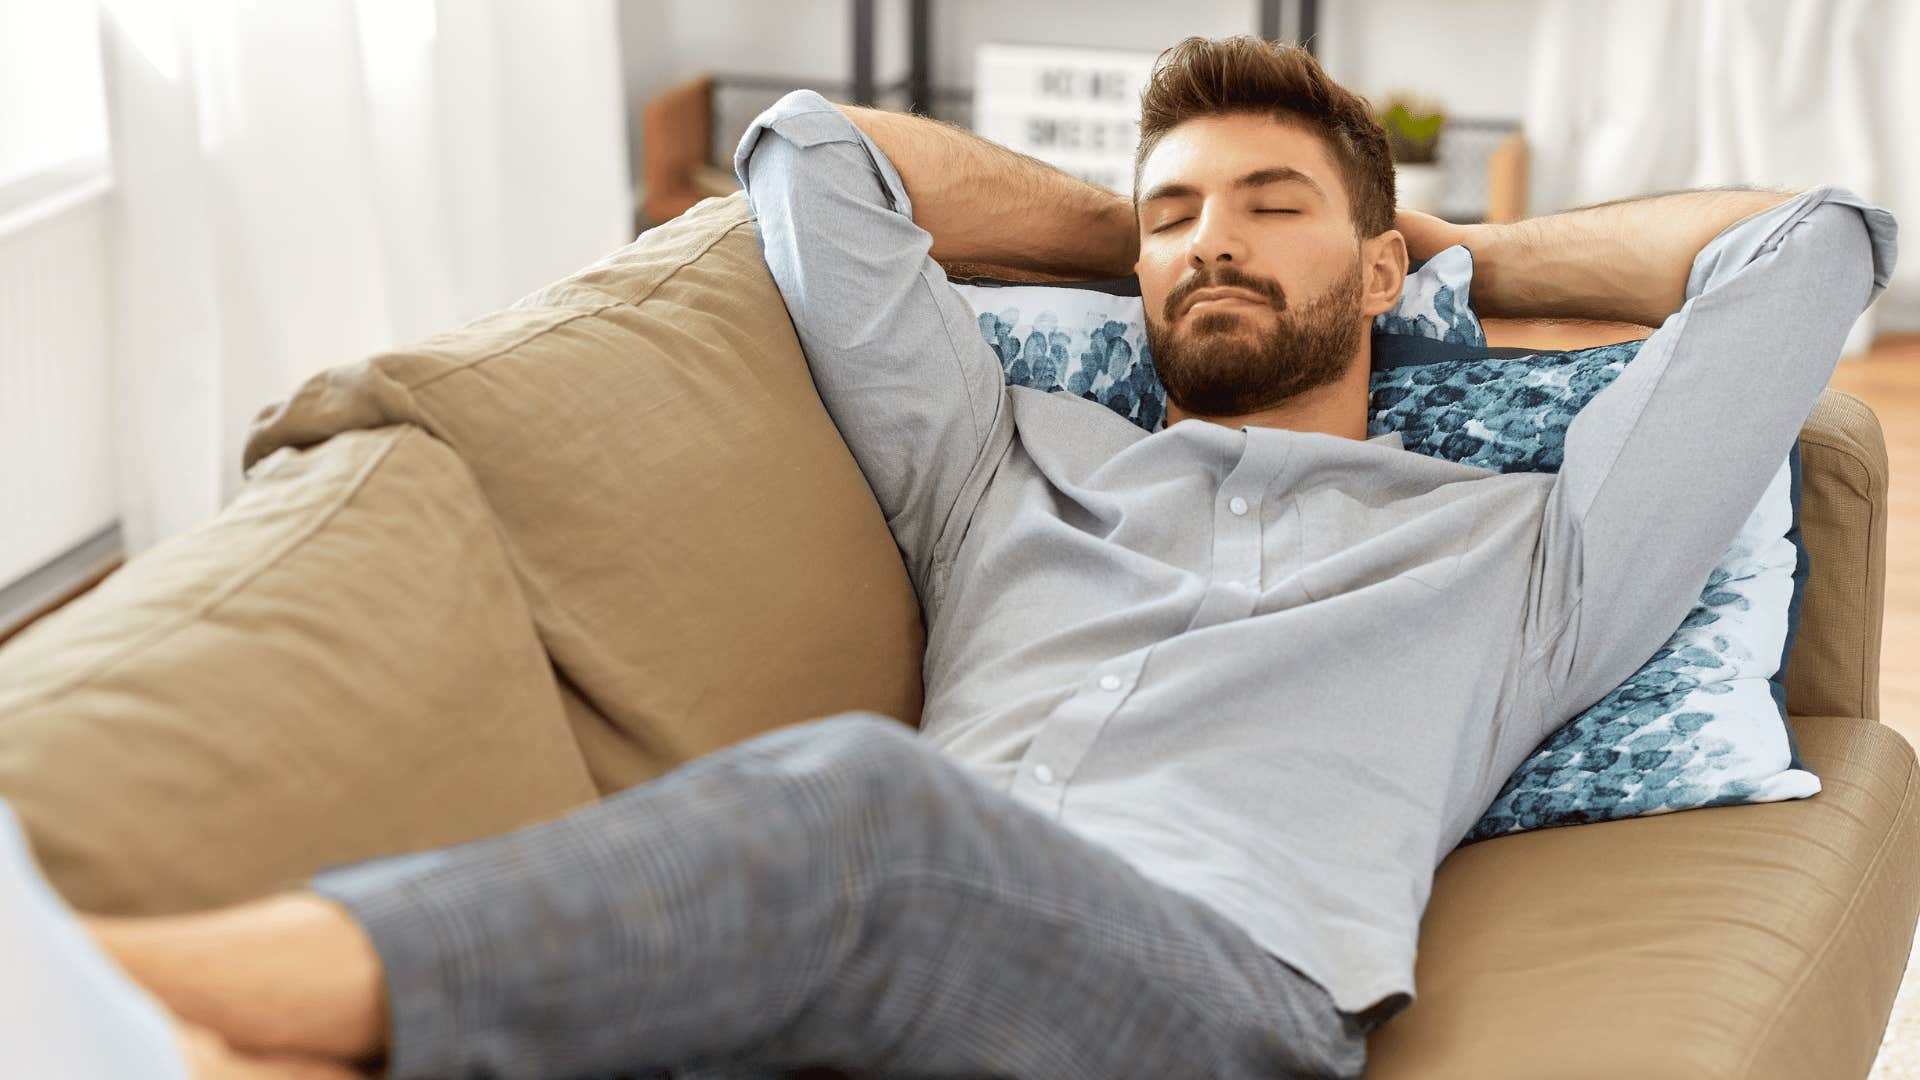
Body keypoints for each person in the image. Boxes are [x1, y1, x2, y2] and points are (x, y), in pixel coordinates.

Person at [0, 34, 1894, 1080]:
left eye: (1271, 208)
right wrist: (1131, 235)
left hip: (1207, 1013)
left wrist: (1445, 268)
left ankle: (75, 988)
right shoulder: (1003, 465)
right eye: (1176, 217)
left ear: (1383, 264)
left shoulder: (1530, 556)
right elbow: (815, 159)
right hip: (882, 989)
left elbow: (1813, 241)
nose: (1208, 241)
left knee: (864, 814)